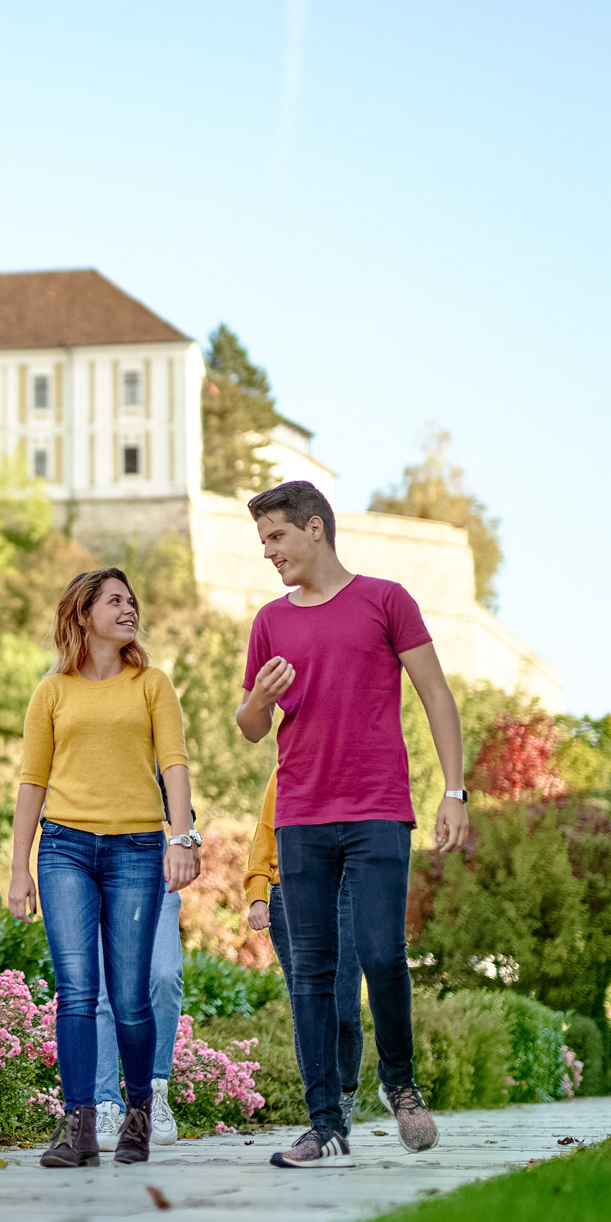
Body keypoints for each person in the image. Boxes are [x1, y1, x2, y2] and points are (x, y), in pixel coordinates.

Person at [235, 481, 467, 1169]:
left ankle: (400, 1083)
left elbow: (435, 694)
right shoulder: (270, 621)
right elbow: (250, 728)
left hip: (377, 810)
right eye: (262, 541)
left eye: (276, 537)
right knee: (311, 974)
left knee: (381, 953)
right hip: (301, 817)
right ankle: (325, 1124)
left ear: (315, 528)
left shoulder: (386, 600)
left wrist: (454, 790)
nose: (269, 552)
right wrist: (260, 698)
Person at [9, 568, 199, 1168]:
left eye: (132, 601)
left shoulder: (152, 685)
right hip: (64, 849)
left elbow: (174, 764)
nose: (128, 609)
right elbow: (32, 781)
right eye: (115, 600)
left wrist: (181, 837)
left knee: (131, 995)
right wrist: (19, 868)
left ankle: (138, 1113)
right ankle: (79, 1126)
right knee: (75, 992)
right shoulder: (52, 692)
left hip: (136, 850)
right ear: (83, 614)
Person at [241, 769, 365, 1123]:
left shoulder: (356, 763)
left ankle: (345, 1094)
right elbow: (265, 831)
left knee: (345, 1012)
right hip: (289, 889)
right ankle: (323, 1113)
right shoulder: (287, 768)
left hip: (345, 889)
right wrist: (257, 894)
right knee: (309, 1009)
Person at [90, 867, 185, 1148]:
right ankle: (107, 1105)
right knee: (101, 989)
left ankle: (155, 1092)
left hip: (154, 865)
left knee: (166, 975)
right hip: (97, 868)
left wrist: (187, 844)